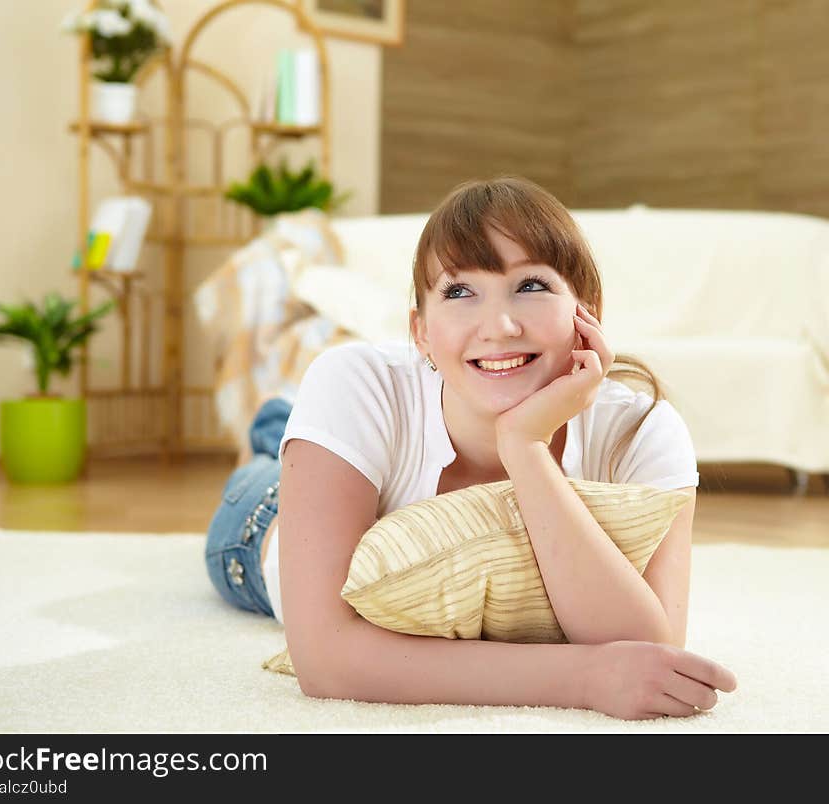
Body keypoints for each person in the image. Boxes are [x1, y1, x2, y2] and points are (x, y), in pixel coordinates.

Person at [204, 176, 738, 721]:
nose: (500, 326)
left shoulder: (641, 428)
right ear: (421, 333)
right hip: (262, 520)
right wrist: (584, 677)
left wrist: (524, 447)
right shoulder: (354, 382)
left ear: (588, 310)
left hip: (364, 447)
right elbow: (323, 658)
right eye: (459, 292)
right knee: (272, 462)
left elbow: (650, 652)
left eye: (531, 286)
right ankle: (280, 432)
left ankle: (283, 428)